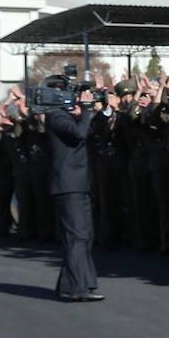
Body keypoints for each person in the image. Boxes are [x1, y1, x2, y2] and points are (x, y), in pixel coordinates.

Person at [45, 81, 105, 303]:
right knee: (77, 237)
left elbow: (91, 129)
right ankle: (76, 288)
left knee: (83, 237)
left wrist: (94, 109)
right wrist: (86, 110)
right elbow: (80, 134)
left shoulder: (68, 115)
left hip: (78, 184)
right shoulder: (56, 116)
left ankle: (70, 284)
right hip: (68, 186)